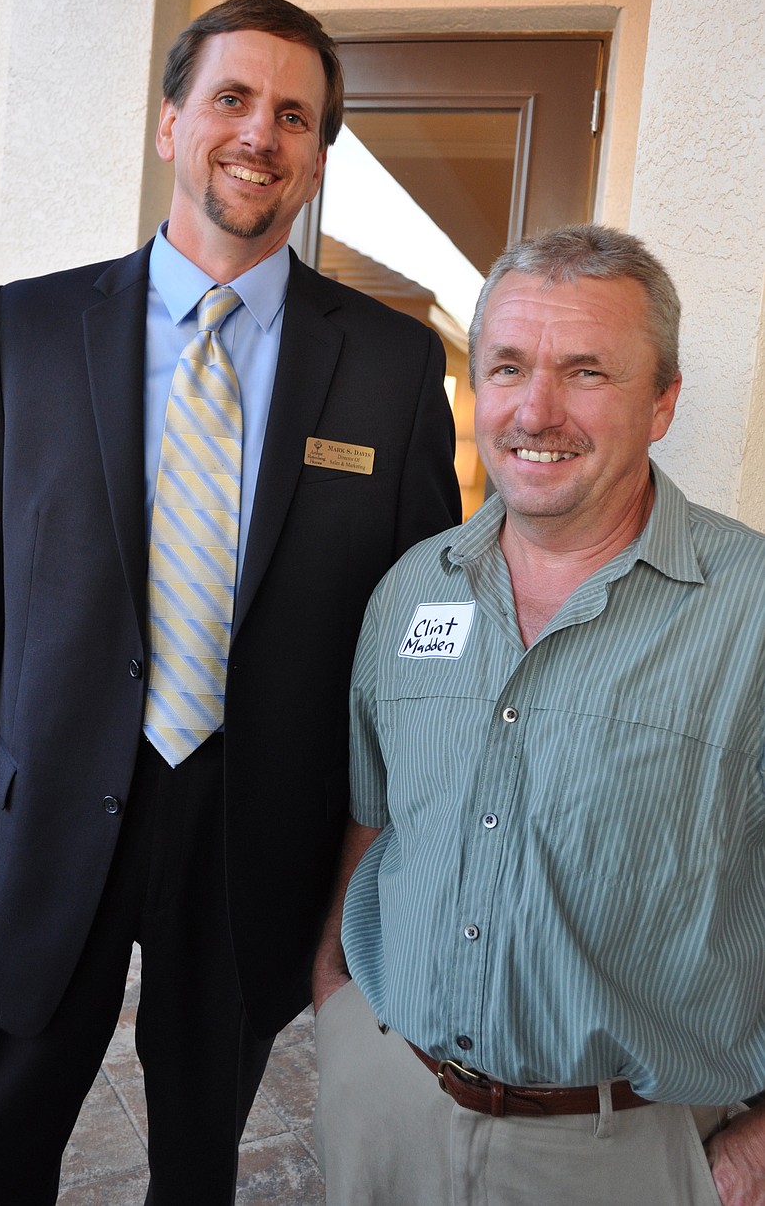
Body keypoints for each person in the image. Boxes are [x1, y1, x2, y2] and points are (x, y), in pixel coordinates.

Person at [0, 0, 461, 1205]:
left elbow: (415, 647)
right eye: (230, 99)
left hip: (259, 833)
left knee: (201, 1166)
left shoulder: (389, 363)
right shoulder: (31, 329)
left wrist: (385, 881)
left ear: (319, 155)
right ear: (171, 124)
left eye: (295, 116)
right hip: (44, 813)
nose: (259, 134)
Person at [311, 223, 765, 1206]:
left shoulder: (753, 611)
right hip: (390, 1104)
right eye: (507, 366)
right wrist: (335, 1002)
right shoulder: (408, 592)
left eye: (586, 371)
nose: (536, 409)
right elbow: (376, 818)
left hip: (628, 1153)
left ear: (662, 402)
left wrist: (757, 1147)